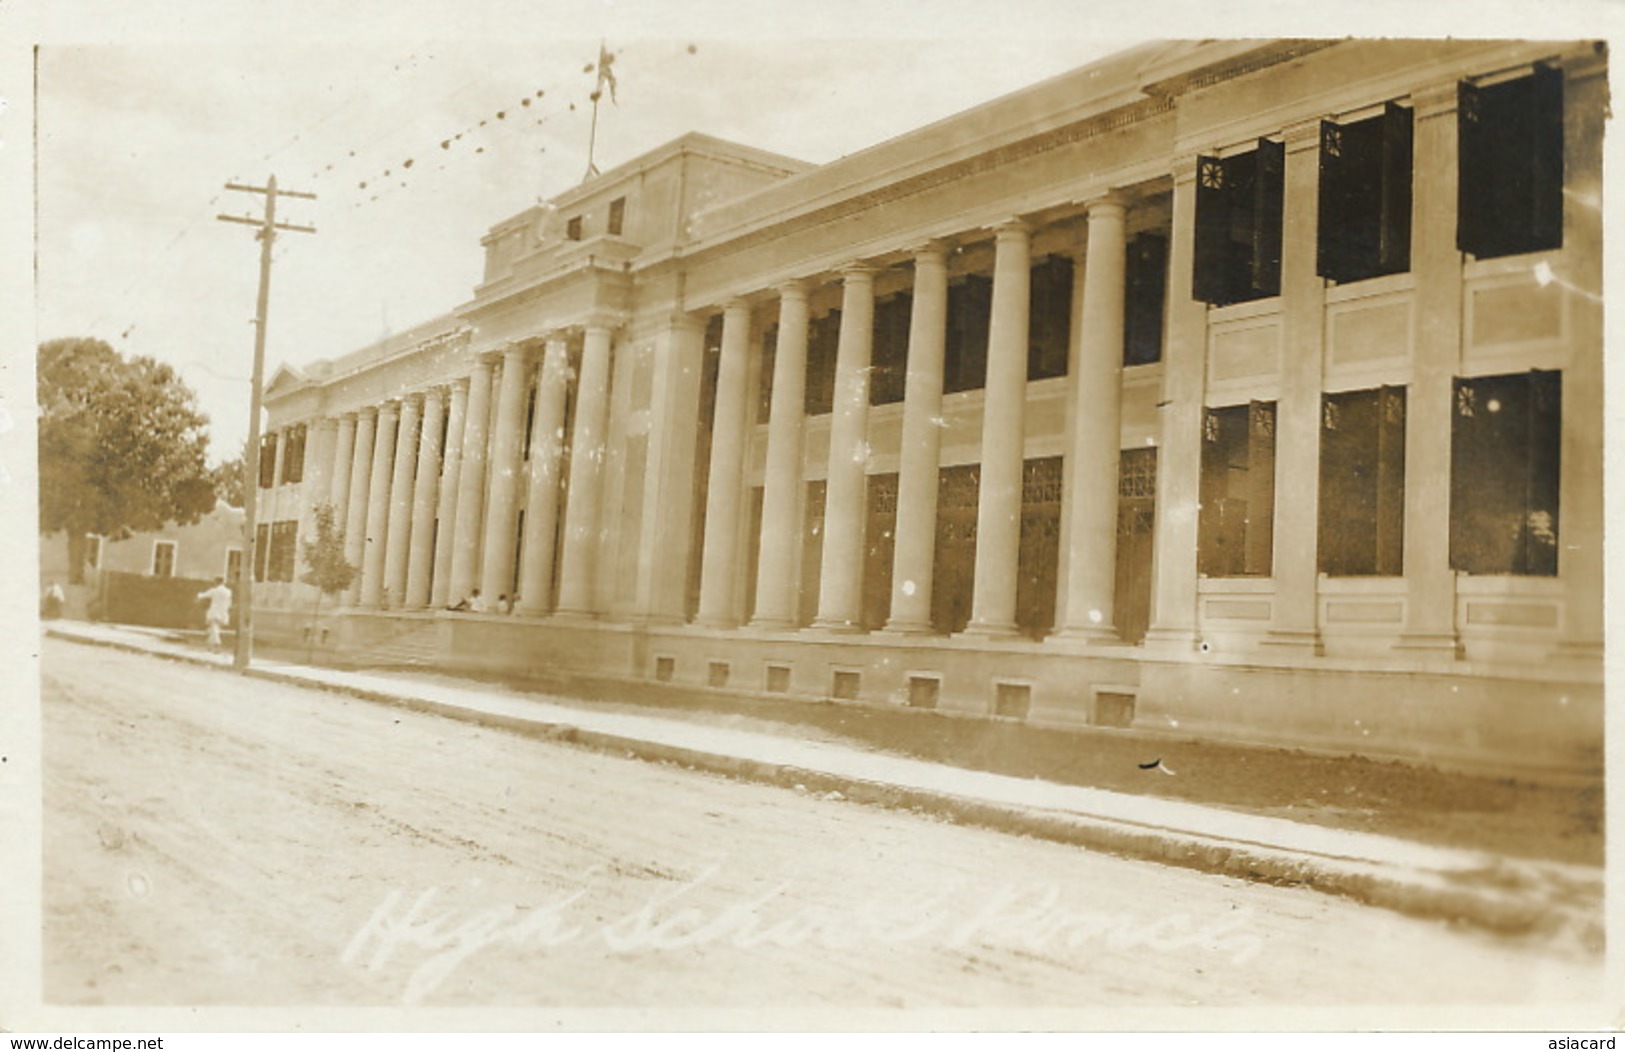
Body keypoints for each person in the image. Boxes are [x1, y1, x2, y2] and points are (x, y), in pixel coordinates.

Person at [197, 577, 233, 652]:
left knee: (214, 627)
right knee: (214, 629)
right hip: (223, 611)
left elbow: (203, 595)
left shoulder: (214, 591)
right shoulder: (228, 592)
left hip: (215, 611)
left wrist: (198, 596)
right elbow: (229, 603)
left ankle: (217, 643)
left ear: (216, 582)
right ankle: (210, 646)